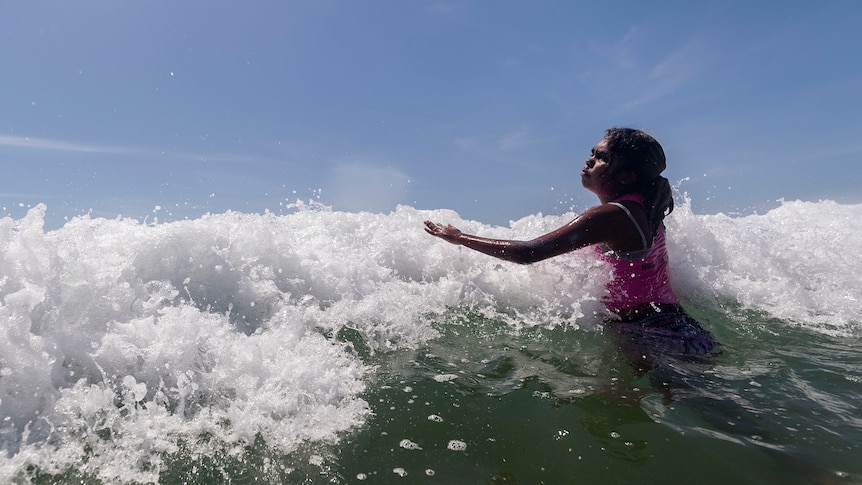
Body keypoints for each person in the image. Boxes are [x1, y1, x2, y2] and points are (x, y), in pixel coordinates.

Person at [424, 127, 718, 358]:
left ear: (627, 176)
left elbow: (529, 253)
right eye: (592, 152)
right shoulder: (647, 204)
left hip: (650, 334)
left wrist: (459, 238)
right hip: (675, 326)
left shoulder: (612, 216)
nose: (589, 160)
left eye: (602, 157)